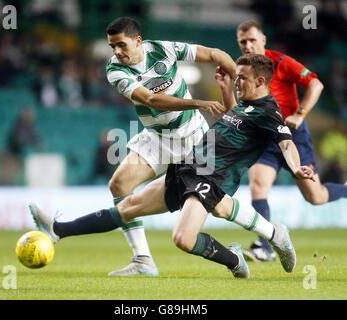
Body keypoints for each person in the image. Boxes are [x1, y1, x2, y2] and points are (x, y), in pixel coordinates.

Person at [29, 54, 315, 279]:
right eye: (236, 77)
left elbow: (286, 143)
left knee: (183, 238)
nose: (237, 81)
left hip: (211, 176)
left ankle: (254, 247)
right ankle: (58, 230)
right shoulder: (244, 104)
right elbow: (235, 122)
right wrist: (228, 90)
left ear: (261, 81)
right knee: (127, 208)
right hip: (189, 165)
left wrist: (298, 167)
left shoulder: (269, 110)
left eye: (241, 78)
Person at [103, 17, 237, 276]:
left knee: (220, 207)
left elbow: (215, 54)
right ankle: (143, 260)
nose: (117, 52)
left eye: (121, 45)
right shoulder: (115, 70)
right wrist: (199, 103)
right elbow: (151, 99)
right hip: (158, 137)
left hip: (192, 136)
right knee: (119, 185)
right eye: (112, 47)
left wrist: (237, 76)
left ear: (138, 41)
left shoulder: (165, 49)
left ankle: (273, 233)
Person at [234, 21, 347, 262]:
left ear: (264, 40)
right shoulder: (241, 69)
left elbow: (316, 83)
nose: (248, 45)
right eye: (243, 41)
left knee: (316, 197)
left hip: (293, 137)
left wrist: (301, 113)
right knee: (258, 185)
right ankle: (263, 246)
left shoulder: (282, 63)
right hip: (265, 138)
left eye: (253, 39)